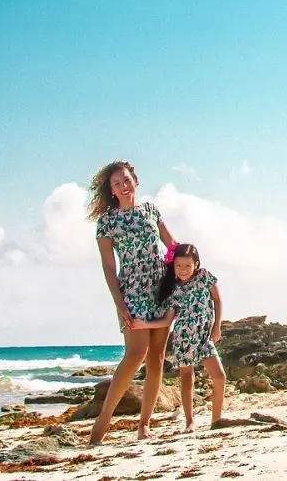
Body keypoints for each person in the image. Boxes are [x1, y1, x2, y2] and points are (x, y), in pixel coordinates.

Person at [85, 160, 177, 445]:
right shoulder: (107, 223)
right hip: (132, 292)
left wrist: (185, 274)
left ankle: (144, 424)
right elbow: (109, 268)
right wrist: (119, 304)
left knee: (157, 358)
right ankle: (102, 422)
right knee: (135, 354)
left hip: (160, 288)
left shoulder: (151, 210)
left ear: (135, 181)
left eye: (126, 180)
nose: (124, 186)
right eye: (117, 183)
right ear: (111, 191)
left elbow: (172, 246)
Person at [133, 243, 226, 432]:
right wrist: (145, 325)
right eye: (178, 266)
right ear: (173, 266)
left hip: (203, 338)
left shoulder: (204, 277)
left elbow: (217, 299)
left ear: (196, 264)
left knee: (219, 377)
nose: (183, 270)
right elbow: (167, 321)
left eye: (187, 266)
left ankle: (216, 420)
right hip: (183, 337)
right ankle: (190, 422)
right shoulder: (173, 290)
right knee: (186, 379)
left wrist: (217, 326)